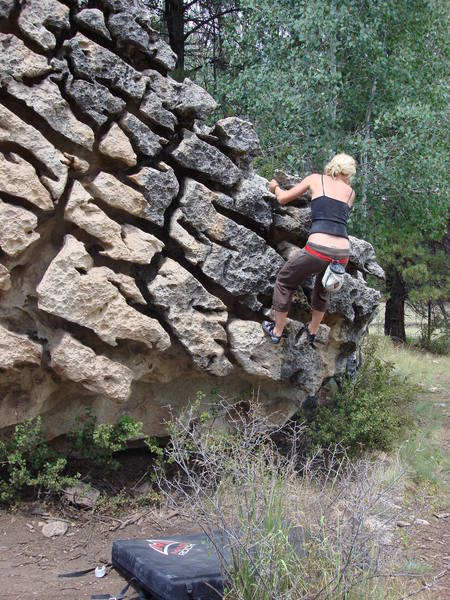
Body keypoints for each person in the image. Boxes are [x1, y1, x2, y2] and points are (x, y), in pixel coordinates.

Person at [262, 153, 356, 345]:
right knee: (322, 288)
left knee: (285, 281)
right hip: (342, 254)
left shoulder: (315, 179)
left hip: (318, 248)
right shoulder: (351, 193)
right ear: (347, 173)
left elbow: (283, 199)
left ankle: (277, 331)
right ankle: (312, 331)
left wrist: (275, 188)